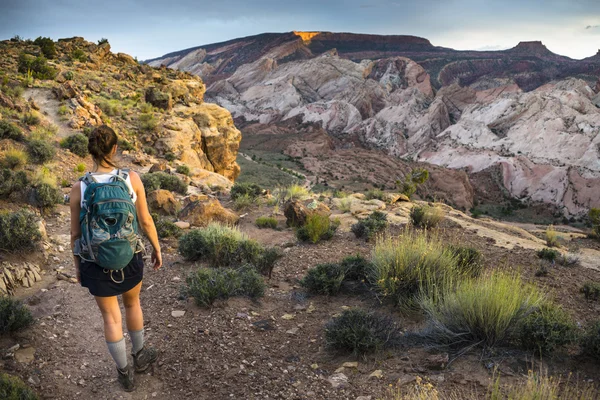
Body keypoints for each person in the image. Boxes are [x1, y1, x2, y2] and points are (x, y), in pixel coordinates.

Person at [69, 125, 162, 391]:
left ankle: (124, 374)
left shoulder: (80, 188)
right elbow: (145, 220)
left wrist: (78, 265)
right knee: (133, 305)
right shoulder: (131, 179)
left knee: (111, 318)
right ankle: (140, 357)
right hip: (129, 256)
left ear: (90, 151)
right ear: (114, 149)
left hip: (95, 263)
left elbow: (75, 233)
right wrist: (156, 247)